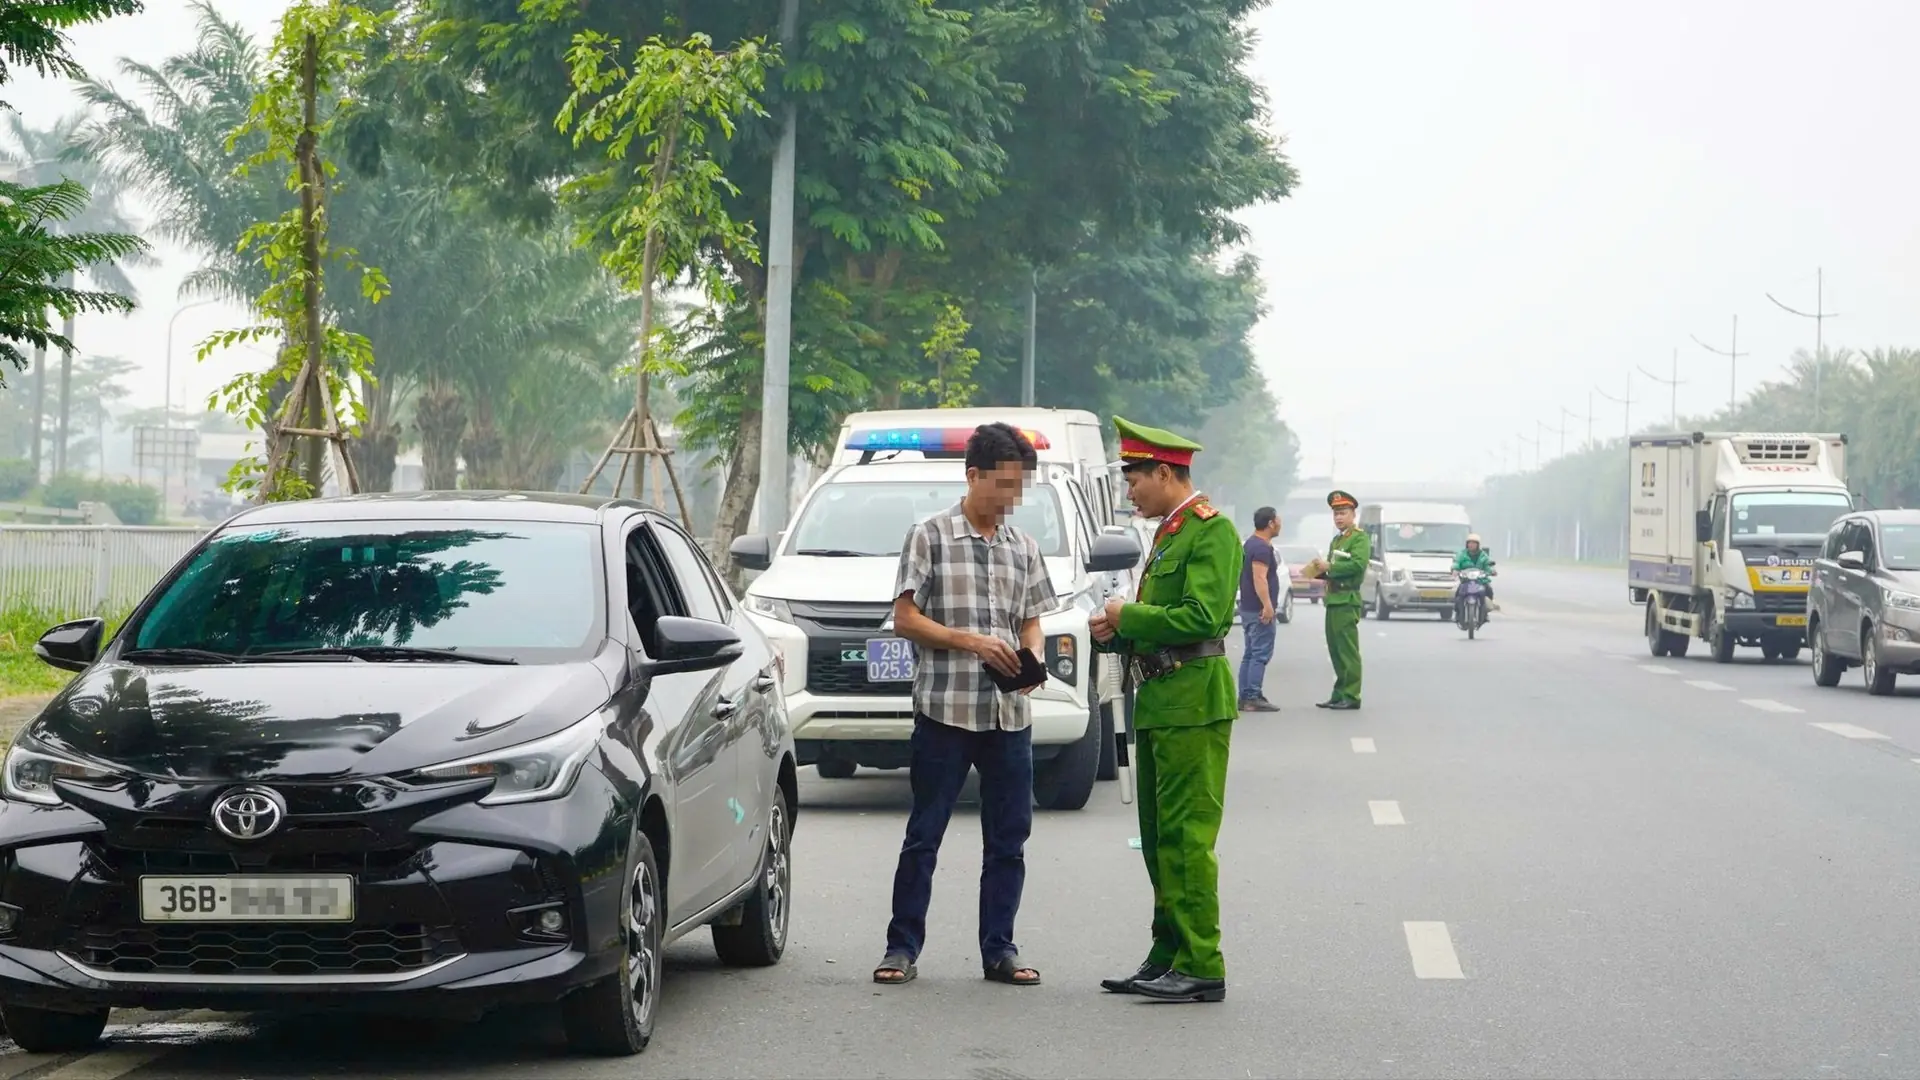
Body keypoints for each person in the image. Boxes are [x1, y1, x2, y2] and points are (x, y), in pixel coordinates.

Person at [873, 422, 1058, 989]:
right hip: (945, 711)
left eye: (1018, 487)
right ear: (973, 475)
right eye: (1003, 484)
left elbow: (1032, 621)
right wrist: (970, 641)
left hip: (1009, 716)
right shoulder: (928, 537)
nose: (1011, 497)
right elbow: (905, 618)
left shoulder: (1023, 547)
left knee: (1009, 841)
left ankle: (1000, 950)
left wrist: (1031, 657)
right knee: (924, 835)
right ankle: (901, 947)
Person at [1089, 417, 1240, 1004]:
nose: (1130, 492)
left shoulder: (1211, 531)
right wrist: (1118, 631)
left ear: (1163, 472)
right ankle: (1168, 952)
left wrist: (1128, 615)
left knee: (1186, 837)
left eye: (1134, 480)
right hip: (1159, 699)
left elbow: (1203, 618)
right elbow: (1162, 623)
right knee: (1157, 838)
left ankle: (1201, 962)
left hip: (1193, 702)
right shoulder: (1170, 533)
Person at [1304, 490, 1369, 711]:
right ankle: (1339, 693)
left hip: (1347, 599)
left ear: (1353, 514)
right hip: (1333, 599)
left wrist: (1330, 566)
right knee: (1335, 650)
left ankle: (1351, 695)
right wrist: (1318, 570)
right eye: (1336, 514)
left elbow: (1358, 565)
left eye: (1343, 513)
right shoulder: (1337, 540)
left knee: (1347, 650)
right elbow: (1333, 570)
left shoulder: (1359, 538)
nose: (1339, 518)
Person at [1237, 506, 1283, 712]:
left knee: (1250, 653)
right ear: (1271, 523)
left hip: (1248, 607)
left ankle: (1246, 695)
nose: (1280, 524)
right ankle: (1252, 696)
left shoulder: (1250, 543)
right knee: (1260, 653)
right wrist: (1267, 605)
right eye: (1278, 520)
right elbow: (1259, 578)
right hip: (1258, 609)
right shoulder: (1261, 548)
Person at [1452, 533, 1498, 617]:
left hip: (1481, 581)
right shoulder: (1462, 554)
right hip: (1465, 580)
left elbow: (1487, 565)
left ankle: (1485, 611)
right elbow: (1457, 562)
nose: (1471, 545)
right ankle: (1458, 612)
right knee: (1458, 593)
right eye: (1469, 543)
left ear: (1478, 545)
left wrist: (1492, 571)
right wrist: (1455, 569)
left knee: (1489, 589)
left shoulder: (1483, 555)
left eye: (1473, 543)